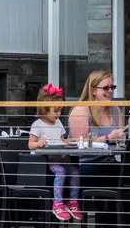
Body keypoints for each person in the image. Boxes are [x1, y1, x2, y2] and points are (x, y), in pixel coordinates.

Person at [28, 84, 83, 222]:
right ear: (44, 109)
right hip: (47, 161)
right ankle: (57, 203)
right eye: (56, 111)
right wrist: (39, 144)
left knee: (75, 172)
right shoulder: (37, 124)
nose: (59, 114)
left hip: (61, 158)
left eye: (60, 111)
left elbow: (62, 140)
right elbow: (30, 144)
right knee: (61, 172)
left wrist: (72, 141)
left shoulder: (58, 123)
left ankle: (73, 202)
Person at [69, 70, 125, 189]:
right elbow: (80, 143)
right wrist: (108, 138)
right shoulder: (82, 110)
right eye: (105, 88)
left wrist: (124, 135)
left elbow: (121, 139)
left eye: (112, 87)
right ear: (93, 90)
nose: (110, 91)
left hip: (109, 161)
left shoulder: (115, 110)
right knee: (123, 177)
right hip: (86, 163)